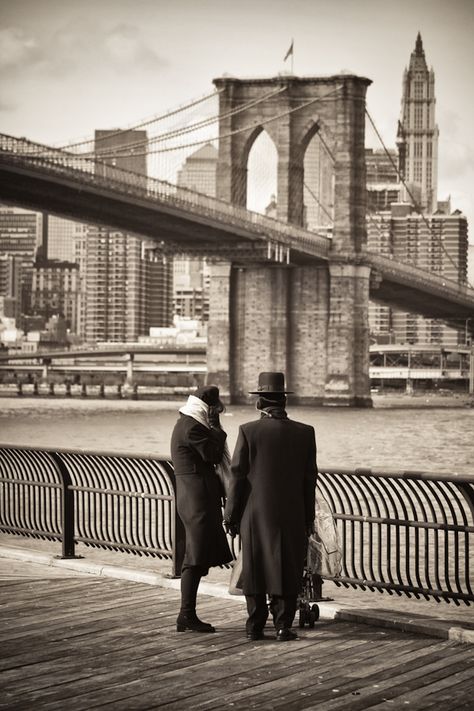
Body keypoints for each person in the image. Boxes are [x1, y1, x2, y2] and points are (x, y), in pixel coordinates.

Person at [224, 372, 317, 642]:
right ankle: (282, 627)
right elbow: (309, 480)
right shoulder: (305, 432)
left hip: (254, 514)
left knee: (254, 568)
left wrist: (231, 515)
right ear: (284, 402)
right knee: (287, 569)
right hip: (292, 514)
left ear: (259, 403)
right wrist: (308, 518)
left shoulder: (248, 431)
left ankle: (254, 626)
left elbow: (237, 477)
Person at [170, 385, 233, 633]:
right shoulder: (193, 428)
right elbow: (213, 454)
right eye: (214, 410)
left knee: (197, 557)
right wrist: (217, 429)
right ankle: (186, 615)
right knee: (194, 558)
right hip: (197, 501)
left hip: (196, 499)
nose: (215, 414)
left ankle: (187, 614)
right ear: (207, 408)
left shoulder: (186, 423)